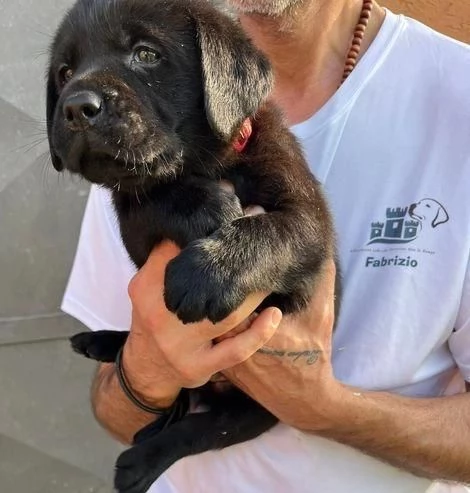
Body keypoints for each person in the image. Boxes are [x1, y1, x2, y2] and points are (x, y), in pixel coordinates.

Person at [61, 0, 470, 491]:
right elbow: (117, 411)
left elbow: (301, 236)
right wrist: (146, 361)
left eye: (146, 55)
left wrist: (323, 409)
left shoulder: (455, 98)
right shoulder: (134, 135)